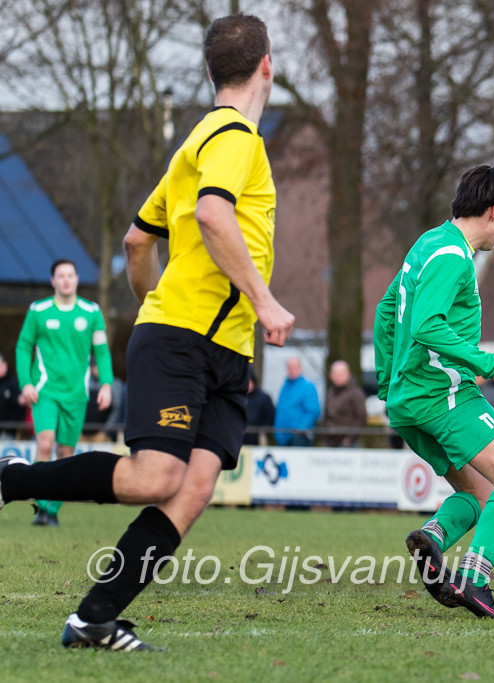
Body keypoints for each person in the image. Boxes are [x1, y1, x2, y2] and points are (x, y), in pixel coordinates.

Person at [0, 14, 294, 651]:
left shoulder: (195, 145)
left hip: (221, 349)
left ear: (210, 71)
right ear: (267, 65)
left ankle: (93, 619)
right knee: (155, 478)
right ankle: (13, 478)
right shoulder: (235, 136)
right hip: (186, 340)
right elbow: (213, 214)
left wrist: (152, 307)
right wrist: (263, 301)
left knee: (194, 488)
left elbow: (137, 241)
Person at [374, 165, 494, 620]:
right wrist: (491, 365)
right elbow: (426, 325)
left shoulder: (428, 242)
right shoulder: (453, 256)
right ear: (493, 211)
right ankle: (474, 581)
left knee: (482, 495)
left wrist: (388, 382)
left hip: (409, 402)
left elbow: (387, 311)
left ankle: (433, 537)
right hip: (443, 396)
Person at [15, 259, 114, 526]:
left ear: (77, 279)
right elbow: (23, 347)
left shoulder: (91, 312)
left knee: (65, 451)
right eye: (61, 276)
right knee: (45, 443)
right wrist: (26, 383)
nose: (66, 280)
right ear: (53, 281)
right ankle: (40, 508)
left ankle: (53, 510)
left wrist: (106, 384)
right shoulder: (38, 311)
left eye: (70, 275)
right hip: (44, 391)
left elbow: (101, 351)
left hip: (76, 394)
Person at [274, 356, 320, 446]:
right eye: (289, 368)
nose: (292, 370)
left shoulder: (308, 386)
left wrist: (300, 429)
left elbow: (313, 412)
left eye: (294, 367)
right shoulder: (285, 387)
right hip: (283, 436)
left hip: (300, 436)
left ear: (300, 368)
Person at [323, 360, 367, 447]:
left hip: (348, 443)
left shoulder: (355, 393)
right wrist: (325, 436)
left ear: (348, 374)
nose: (337, 377)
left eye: (340, 374)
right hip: (330, 441)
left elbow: (361, 417)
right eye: (335, 374)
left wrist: (350, 438)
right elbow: (326, 415)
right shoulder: (330, 392)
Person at [244, 369, 276, 446]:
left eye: (249, 381)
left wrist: (263, 431)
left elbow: (270, 417)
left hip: (257, 439)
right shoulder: (238, 398)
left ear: (254, 381)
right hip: (240, 438)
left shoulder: (264, 398)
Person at [0, 353, 26, 439]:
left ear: (4, 365)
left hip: (7, 432)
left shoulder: (14, 385)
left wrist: (9, 427)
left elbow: (20, 406)